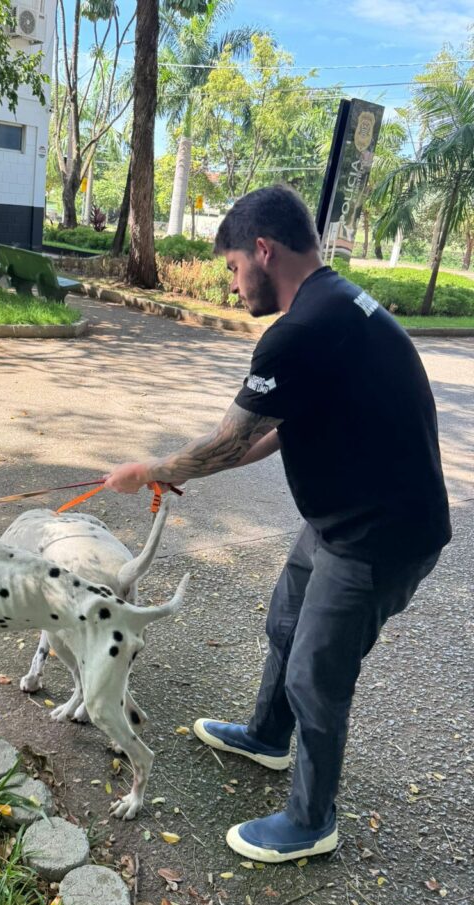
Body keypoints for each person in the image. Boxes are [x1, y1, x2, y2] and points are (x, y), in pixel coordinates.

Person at [104, 185, 451, 863]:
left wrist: (150, 469)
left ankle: (312, 819)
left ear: (264, 250)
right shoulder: (332, 304)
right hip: (340, 515)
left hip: (379, 534)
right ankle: (266, 737)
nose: (233, 284)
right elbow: (276, 431)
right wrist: (186, 470)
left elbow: (231, 438)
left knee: (317, 674)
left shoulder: (301, 329)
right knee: (286, 626)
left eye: (233, 267)